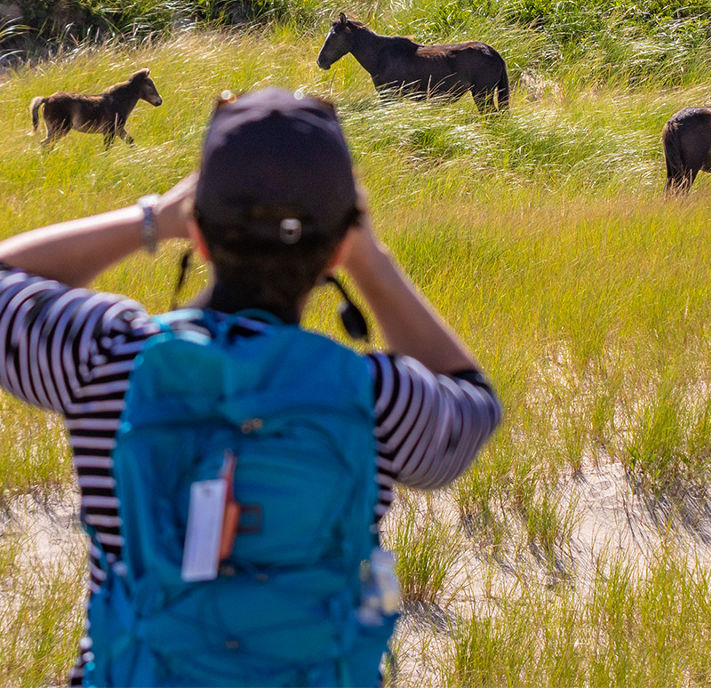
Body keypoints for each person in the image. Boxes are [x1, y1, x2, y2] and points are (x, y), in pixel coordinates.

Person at [0, 87, 502, 686]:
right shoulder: (377, 397)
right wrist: (368, 258)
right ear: (336, 249)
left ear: (201, 234)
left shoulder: (110, 356)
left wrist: (153, 219)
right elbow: (473, 402)